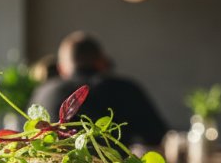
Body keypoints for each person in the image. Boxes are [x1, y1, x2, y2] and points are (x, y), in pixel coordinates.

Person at [29, 31, 168, 147]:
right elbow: (157, 138)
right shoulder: (126, 89)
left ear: (61, 68)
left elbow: (31, 139)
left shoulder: (43, 93)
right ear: (101, 62)